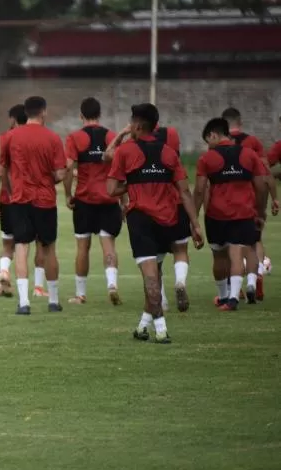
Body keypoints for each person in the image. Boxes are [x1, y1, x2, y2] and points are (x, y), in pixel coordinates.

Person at [107, 103, 203, 343]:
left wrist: (133, 183)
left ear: (137, 125)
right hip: (169, 220)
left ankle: (161, 330)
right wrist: (196, 224)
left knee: (150, 278)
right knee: (155, 274)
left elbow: (111, 190)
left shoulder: (125, 152)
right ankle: (143, 326)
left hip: (141, 220)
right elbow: (184, 192)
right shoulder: (169, 153)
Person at [0, 96, 67, 314]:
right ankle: (54, 301)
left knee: (21, 247)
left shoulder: (9, 137)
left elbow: (4, 171)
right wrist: (51, 178)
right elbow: (59, 173)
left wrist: (12, 192)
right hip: (45, 199)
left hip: (20, 199)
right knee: (49, 249)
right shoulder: (53, 138)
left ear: (25, 112)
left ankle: (24, 302)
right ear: (43, 112)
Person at [194, 117, 270, 310]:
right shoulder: (249, 155)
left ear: (213, 135)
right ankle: (235, 296)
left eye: (207, 140)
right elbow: (261, 186)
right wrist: (260, 212)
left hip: (216, 215)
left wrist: (193, 218)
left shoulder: (206, 158)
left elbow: (200, 190)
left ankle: (224, 296)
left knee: (219, 256)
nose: (208, 145)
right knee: (237, 253)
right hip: (244, 212)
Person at [64, 97, 122, 305]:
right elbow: (120, 170)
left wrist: (68, 194)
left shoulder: (75, 138)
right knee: (108, 245)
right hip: (108, 199)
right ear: (100, 115)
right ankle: (112, 284)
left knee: (82, 247)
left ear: (81, 116)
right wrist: (122, 199)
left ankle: (80, 294)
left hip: (85, 200)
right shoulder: (112, 137)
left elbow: (69, 167)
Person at [222, 107, 278, 300]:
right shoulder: (253, 142)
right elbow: (265, 173)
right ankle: (256, 277)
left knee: (232, 245)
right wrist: (274, 197)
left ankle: (232, 289)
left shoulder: (218, 144)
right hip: (252, 198)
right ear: (241, 122)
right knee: (254, 240)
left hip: (226, 200)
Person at [0, 104, 38, 296]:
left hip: (9, 199)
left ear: (12, 119)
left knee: (8, 244)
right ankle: (38, 287)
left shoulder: (3, 140)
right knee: (36, 244)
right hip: (33, 199)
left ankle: (4, 274)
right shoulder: (36, 138)